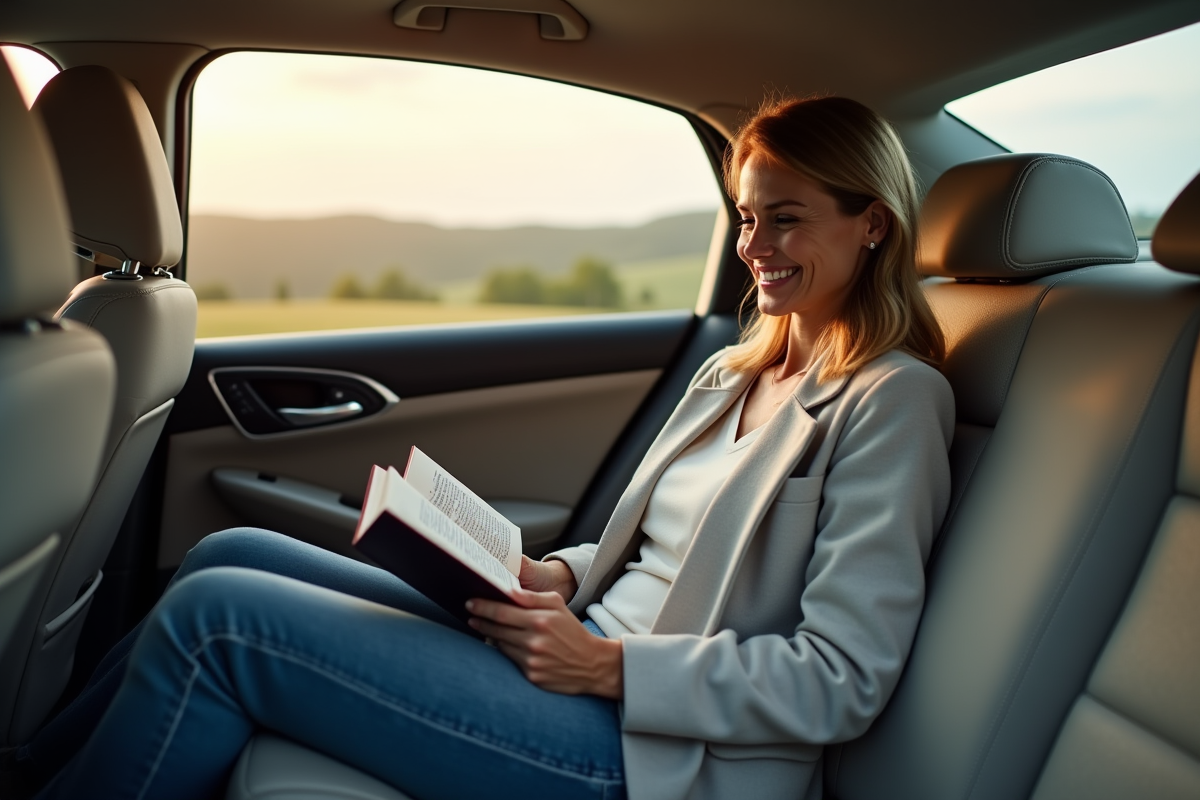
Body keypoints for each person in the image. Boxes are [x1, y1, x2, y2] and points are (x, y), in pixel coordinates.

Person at [19, 94, 952, 800]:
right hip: (585, 652)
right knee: (223, 556)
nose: (756, 245)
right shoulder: (740, 370)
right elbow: (665, 550)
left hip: (657, 750)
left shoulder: (894, 400)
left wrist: (608, 668)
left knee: (221, 621)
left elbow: (842, 679)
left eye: (785, 216)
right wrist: (559, 576)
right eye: (748, 217)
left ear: (871, 222)